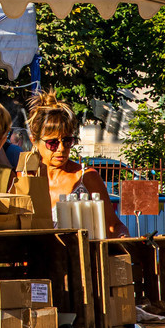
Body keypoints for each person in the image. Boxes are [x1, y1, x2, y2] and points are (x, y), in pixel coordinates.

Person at [28, 91, 129, 237]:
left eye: (67, 141)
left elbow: (113, 225)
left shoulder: (86, 177)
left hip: (81, 257)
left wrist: (124, 238)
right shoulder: (23, 178)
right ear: (34, 141)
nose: (61, 148)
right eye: (52, 143)